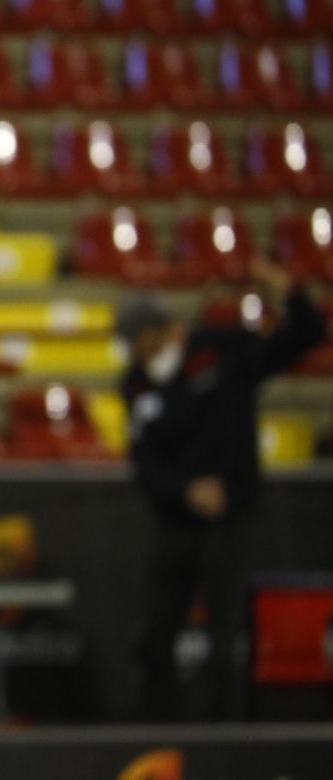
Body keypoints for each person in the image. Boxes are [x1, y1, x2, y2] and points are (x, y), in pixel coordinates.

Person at [118, 257, 326, 721]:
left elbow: (308, 334)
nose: (138, 352)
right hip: (176, 523)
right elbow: (144, 462)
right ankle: (159, 730)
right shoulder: (135, 384)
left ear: (166, 330)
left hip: (231, 518)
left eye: (142, 339)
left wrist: (288, 291)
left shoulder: (221, 353)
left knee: (223, 637)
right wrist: (186, 489)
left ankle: (223, 739)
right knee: (156, 635)